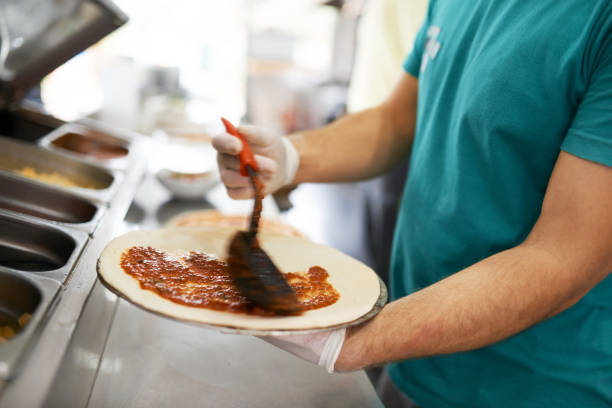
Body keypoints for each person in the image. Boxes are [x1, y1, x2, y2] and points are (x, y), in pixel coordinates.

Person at [213, 1, 612, 407]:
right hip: (412, 358)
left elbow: (565, 254)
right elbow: (397, 121)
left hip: (536, 388)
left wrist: (354, 341)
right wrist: (289, 158)